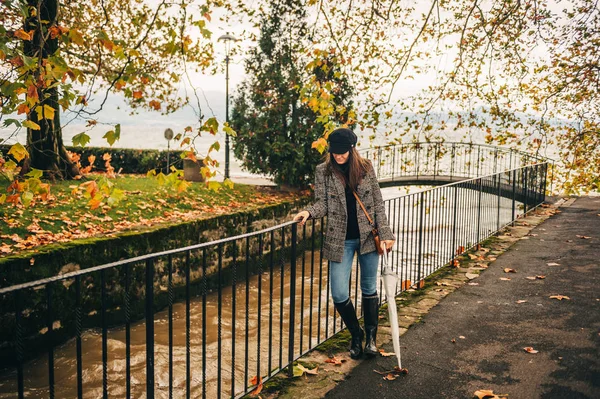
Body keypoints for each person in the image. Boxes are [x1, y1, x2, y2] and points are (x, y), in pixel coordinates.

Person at [293, 128, 395, 359]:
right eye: (334, 153)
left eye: (342, 153)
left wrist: (386, 234)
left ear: (351, 149)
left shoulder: (366, 167)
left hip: (368, 237)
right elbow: (322, 204)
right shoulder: (324, 171)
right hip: (340, 239)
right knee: (339, 293)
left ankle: (370, 340)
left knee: (369, 289)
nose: (338, 157)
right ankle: (356, 334)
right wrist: (308, 212)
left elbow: (378, 203)